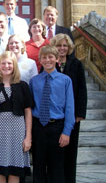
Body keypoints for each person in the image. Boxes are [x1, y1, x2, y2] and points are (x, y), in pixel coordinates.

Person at [0, 51, 34, 183]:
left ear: (14, 65)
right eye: (3, 63)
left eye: (9, 63)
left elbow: (28, 111)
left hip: (17, 131)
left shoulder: (22, 85)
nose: (6, 66)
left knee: (15, 171)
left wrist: (28, 136)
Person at [29, 45, 75, 183]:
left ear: (57, 59)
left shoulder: (65, 80)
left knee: (57, 167)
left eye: (50, 57)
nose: (47, 60)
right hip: (38, 127)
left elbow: (70, 107)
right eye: (44, 57)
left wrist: (66, 132)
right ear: (40, 60)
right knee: (38, 166)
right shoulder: (34, 81)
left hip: (57, 128)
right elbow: (30, 108)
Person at [50, 34, 87, 183]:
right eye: (59, 46)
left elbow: (82, 90)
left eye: (65, 45)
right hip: (54, 116)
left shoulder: (76, 64)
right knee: (56, 152)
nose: (62, 48)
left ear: (69, 47)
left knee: (70, 152)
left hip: (72, 116)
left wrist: (79, 114)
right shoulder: (50, 62)